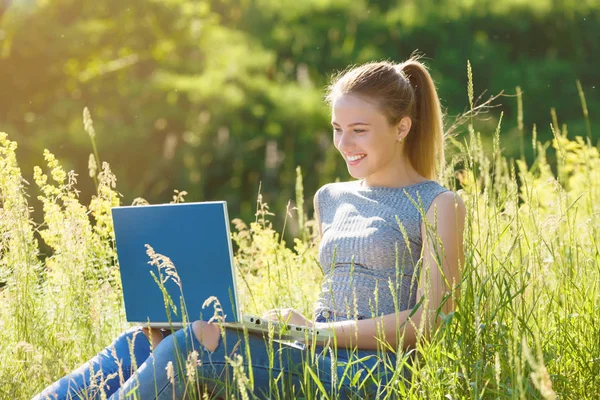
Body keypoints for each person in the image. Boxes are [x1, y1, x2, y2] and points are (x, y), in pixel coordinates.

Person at [34, 54, 466, 399]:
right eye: (337, 129)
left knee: (194, 346)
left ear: (401, 127)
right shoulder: (331, 197)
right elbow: (334, 300)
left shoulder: (438, 203)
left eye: (358, 130)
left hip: (373, 371)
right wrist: (296, 326)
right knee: (151, 336)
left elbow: (428, 322)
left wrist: (315, 333)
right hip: (312, 350)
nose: (344, 145)